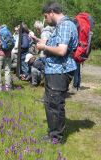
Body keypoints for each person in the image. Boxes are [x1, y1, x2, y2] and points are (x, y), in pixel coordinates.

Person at [36, 1, 78, 144]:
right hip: (54, 70)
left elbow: (61, 50)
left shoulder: (65, 25)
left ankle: (56, 138)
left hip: (60, 71)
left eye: (46, 16)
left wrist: (44, 46)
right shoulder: (60, 26)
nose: (46, 19)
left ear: (52, 12)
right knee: (50, 102)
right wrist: (42, 43)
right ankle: (52, 133)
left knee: (55, 104)